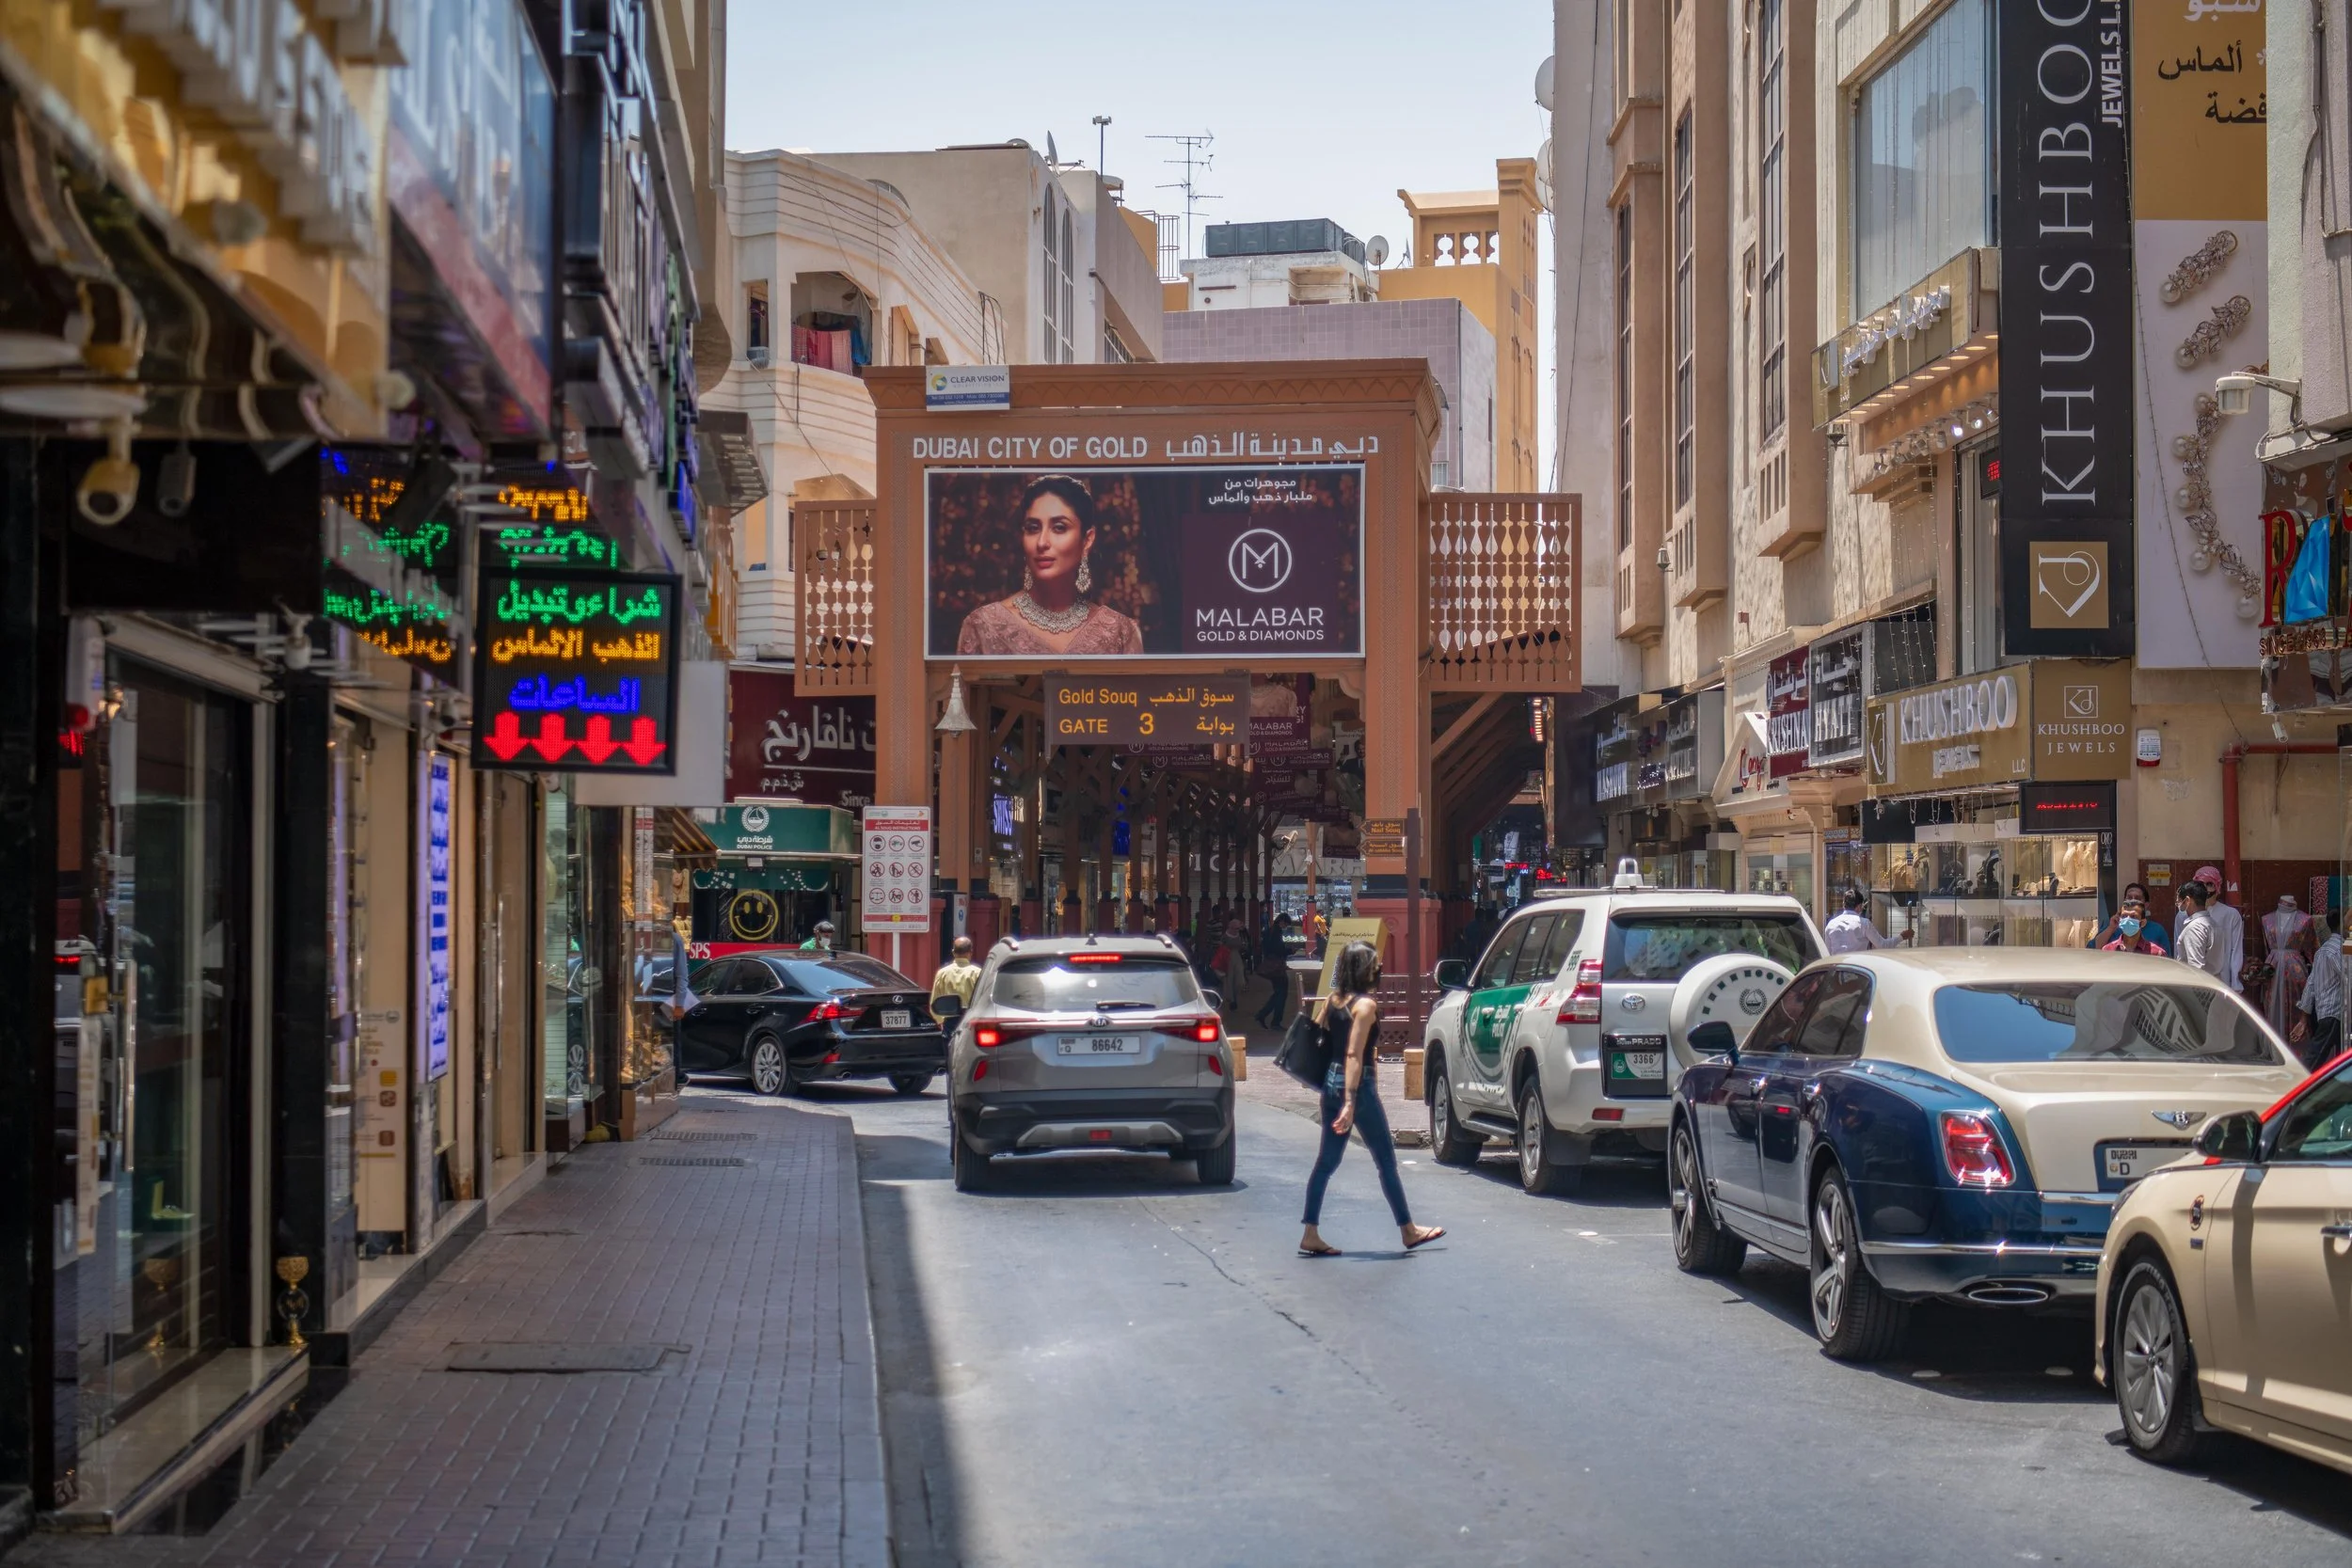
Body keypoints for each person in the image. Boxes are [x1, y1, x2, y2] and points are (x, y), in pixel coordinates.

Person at [1297, 942, 1445, 1259]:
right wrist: (1351, 1101)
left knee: (1326, 1162)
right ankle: (1408, 1229)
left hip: (1331, 1084)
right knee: (1385, 1161)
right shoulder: (1365, 1006)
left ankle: (1310, 1232)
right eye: (1375, 964)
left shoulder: (1332, 1001)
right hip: (1357, 1087)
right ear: (1364, 969)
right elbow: (1353, 1052)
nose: (1379, 969)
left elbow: (1320, 1037)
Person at [954, 475, 1146, 656]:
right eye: (1033, 528)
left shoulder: (1119, 632)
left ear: (1087, 540)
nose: (1042, 542)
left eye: (1059, 528)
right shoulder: (983, 626)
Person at [2297, 918, 2344, 1070]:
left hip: (2325, 1010)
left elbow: (2311, 984)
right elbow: (2348, 977)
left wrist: (2304, 1016)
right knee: (2318, 1052)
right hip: (2334, 1011)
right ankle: (2301, 1082)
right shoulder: (2337, 950)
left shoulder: (2322, 951)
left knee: (2340, 1053)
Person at [2191, 865, 2245, 991]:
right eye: (2200, 884)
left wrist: (2235, 983)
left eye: (2209, 884)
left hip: (2222, 981)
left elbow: (2236, 950)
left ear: (2217, 886)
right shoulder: (2183, 915)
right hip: (2193, 980)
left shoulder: (2231, 915)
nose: (2205, 889)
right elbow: (2180, 950)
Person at [2089, 881, 2169, 954]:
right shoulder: (2113, 926)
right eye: (2129, 898)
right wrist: (2111, 928)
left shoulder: (2157, 931)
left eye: (2137, 898)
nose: (2132, 901)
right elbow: (2093, 949)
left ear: (2146, 904)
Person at [1822, 889, 1901, 954]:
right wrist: (1902, 937)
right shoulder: (1864, 924)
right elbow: (1883, 945)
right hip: (1857, 969)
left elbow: (1827, 953)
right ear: (1859, 906)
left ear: (1844, 904)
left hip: (1837, 970)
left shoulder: (1831, 924)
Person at [2176, 882, 2225, 981]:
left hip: (2200, 990)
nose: (2177, 904)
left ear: (2188, 901)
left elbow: (2196, 969)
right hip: (2214, 984)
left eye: (2179, 901)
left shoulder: (2194, 928)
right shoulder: (2213, 924)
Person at [1253, 914, 1293, 1030]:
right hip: (1276, 967)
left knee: (1278, 993)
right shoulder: (1276, 932)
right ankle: (1273, 1020)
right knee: (1281, 993)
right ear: (1281, 921)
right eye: (1285, 924)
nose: (1285, 927)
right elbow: (1278, 950)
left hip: (1272, 966)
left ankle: (1263, 1015)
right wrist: (1289, 951)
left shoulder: (1269, 931)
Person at [930, 935, 982, 1019]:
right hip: (970, 1020)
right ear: (970, 953)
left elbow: (934, 1003)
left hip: (949, 1020)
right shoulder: (978, 973)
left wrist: (941, 1021)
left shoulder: (942, 973)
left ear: (953, 952)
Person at [2100, 899, 2169, 957]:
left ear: (2142, 923)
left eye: (2133, 917)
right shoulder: (2108, 950)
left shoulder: (2157, 954)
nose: (2127, 919)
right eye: (2124, 916)